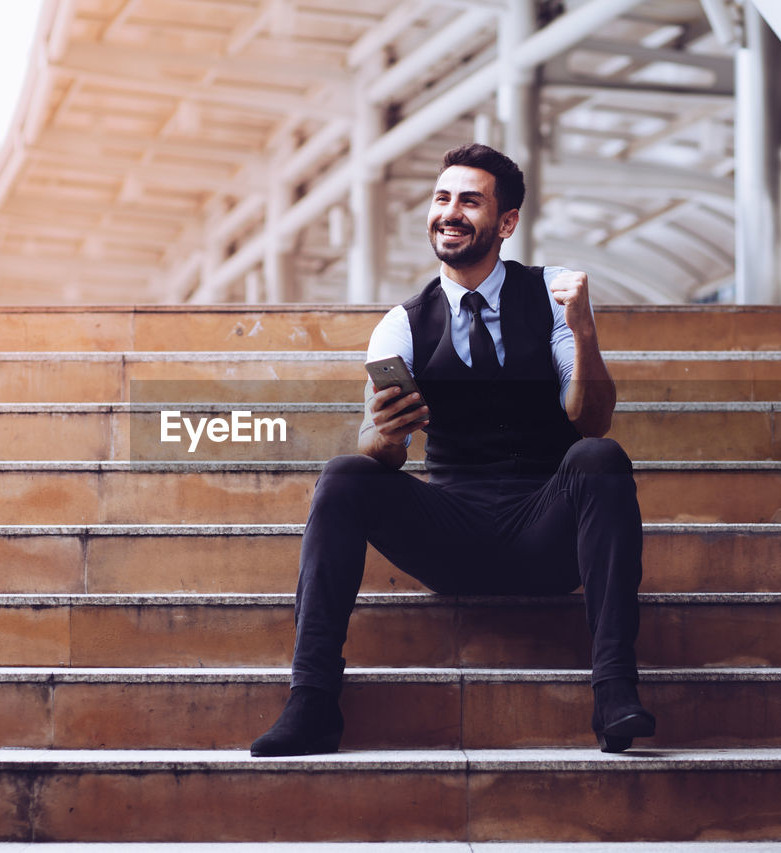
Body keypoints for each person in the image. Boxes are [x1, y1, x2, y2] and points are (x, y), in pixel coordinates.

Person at [250, 142, 654, 756]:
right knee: (343, 475)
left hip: (547, 531)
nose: (451, 212)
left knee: (598, 459)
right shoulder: (401, 324)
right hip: (454, 533)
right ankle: (312, 701)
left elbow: (590, 420)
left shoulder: (550, 295)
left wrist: (585, 333)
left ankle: (615, 692)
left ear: (507, 222)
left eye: (470, 200)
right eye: (443, 198)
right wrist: (384, 432)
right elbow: (379, 453)